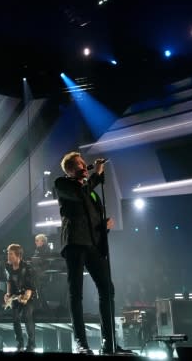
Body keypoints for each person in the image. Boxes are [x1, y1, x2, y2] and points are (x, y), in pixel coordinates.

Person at [53, 151, 129, 355]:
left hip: (93, 244)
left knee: (107, 289)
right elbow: (79, 196)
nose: (84, 165)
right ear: (70, 169)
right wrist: (97, 174)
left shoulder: (92, 191)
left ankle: (109, 343)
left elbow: (92, 216)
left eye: (84, 163)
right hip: (75, 243)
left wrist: (104, 225)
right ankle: (81, 343)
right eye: (80, 163)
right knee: (75, 292)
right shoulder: (63, 184)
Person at [4, 243, 36, 352]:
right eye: (8, 253)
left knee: (26, 316)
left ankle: (31, 344)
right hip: (15, 296)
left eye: (11, 254)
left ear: (18, 255)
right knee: (15, 318)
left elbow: (30, 287)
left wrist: (25, 298)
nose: (8, 256)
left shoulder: (27, 267)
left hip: (29, 295)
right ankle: (20, 343)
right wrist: (8, 295)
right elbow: (9, 282)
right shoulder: (8, 267)